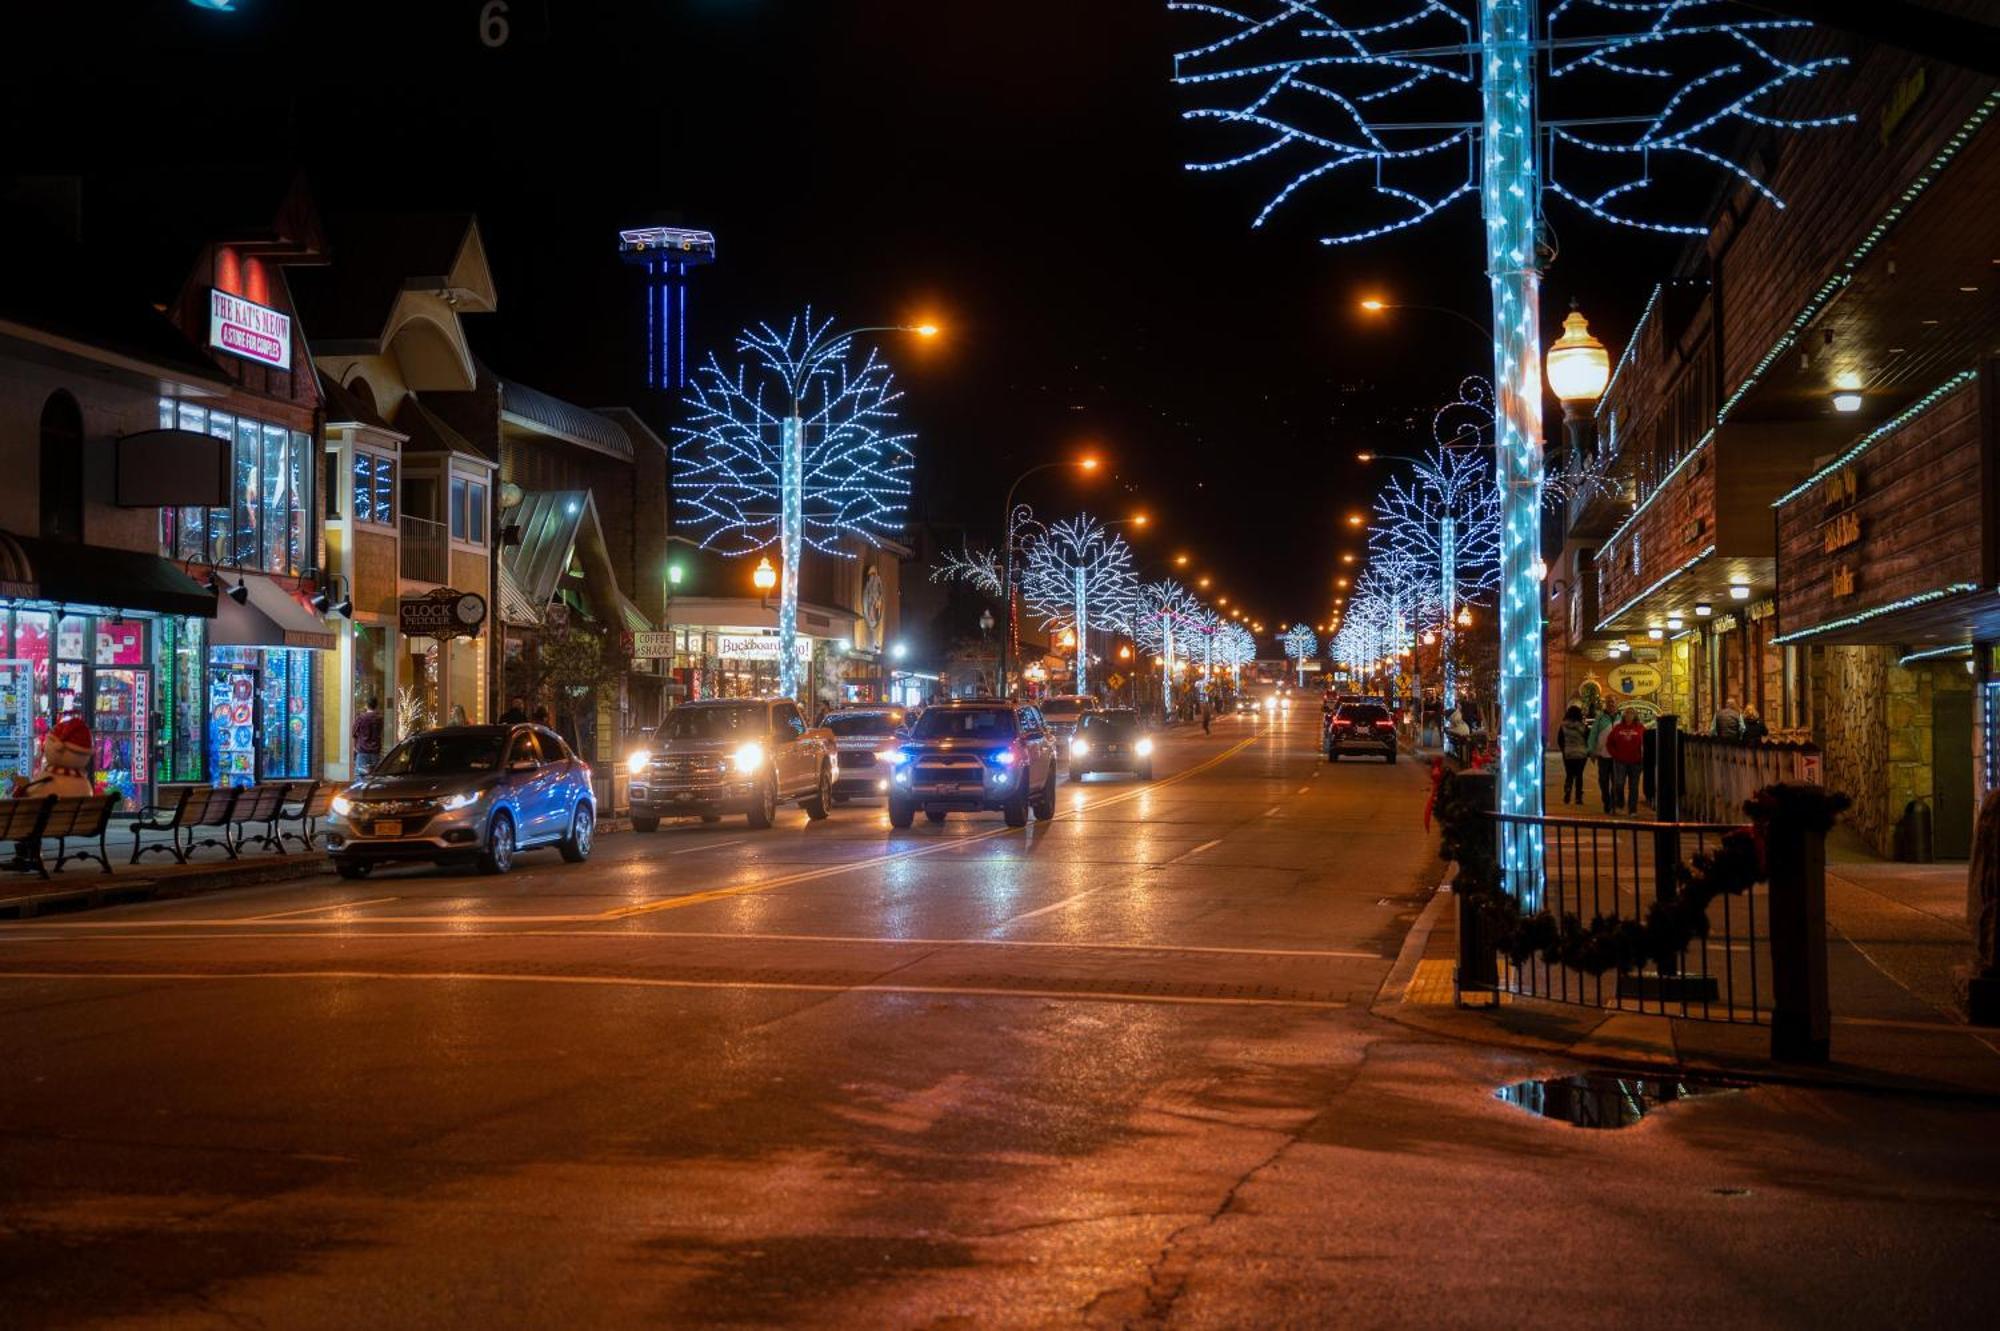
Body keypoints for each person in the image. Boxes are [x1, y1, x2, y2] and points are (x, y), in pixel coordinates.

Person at [6, 716, 95, 871]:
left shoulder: (48, 780)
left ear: (56, 747)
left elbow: (32, 798)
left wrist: (24, 788)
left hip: (44, 824)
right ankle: (30, 856)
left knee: (25, 819)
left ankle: (26, 856)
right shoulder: (84, 783)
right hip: (71, 823)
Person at [1606, 707, 1647, 815]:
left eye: (1632, 713)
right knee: (1619, 784)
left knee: (1633, 786)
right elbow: (1609, 742)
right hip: (1620, 761)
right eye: (1627, 713)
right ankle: (1619, 802)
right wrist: (1615, 754)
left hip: (1636, 761)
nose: (1629, 715)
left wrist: (1643, 756)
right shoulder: (1618, 728)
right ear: (1624, 715)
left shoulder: (1640, 728)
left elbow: (1646, 743)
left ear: (1635, 716)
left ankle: (1632, 809)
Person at [1556, 704, 1591, 805]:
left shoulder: (1563, 726)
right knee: (1579, 775)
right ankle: (1578, 798)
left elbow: (1560, 740)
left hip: (1568, 753)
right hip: (1581, 754)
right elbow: (1588, 738)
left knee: (1569, 774)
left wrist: (1564, 749)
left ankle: (1567, 790)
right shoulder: (1583, 727)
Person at [1589, 704, 1619, 812]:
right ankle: (1606, 800)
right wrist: (1591, 750)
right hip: (1603, 754)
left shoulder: (1620, 717)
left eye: (1613, 701)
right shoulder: (1600, 718)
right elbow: (1593, 734)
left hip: (1617, 755)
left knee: (1616, 781)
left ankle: (1613, 802)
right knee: (1603, 780)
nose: (1611, 704)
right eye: (1609, 701)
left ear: (1616, 703)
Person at [352, 696, 384, 776]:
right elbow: (380, 732)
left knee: (360, 777)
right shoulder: (379, 719)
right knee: (374, 776)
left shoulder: (361, 718)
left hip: (363, 750)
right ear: (376, 706)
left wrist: (357, 741)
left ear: (367, 705)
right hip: (375, 751)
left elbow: (354, 732)